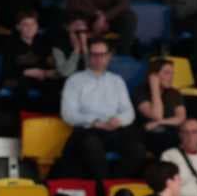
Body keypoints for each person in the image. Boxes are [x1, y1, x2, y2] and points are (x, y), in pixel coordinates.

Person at [60, 37, 144, 181]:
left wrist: (118, 120)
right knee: (91, 145)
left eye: (102, 55)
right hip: (88, 130)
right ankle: (103, 186)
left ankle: (114, 184)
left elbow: (129, 112)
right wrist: (94, 122)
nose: (98, 59)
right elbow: (68, 114)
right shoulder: (74, 80)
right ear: (88, 56)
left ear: (109, 56)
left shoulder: (117, 80)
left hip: (114, 128)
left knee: (138, 150)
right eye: (94, 55)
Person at [67, 0, 137, 51]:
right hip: (86, 16)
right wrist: (96, 14)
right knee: (76, 23)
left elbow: (124, 2)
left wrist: (105, 17)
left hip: (108, 17)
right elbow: (75, 4)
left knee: (129, 18)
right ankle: (82, 55)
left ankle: (121, 55)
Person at [136, 57, 188, 160]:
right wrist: (154, 88)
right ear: (154, 75)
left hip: (169, 132)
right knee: (161, 134)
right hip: (148, 134)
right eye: (167, 73)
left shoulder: (174, 93)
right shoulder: (141, 91)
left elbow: (181, 118)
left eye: (172, 73)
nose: (171, 77)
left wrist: (160, 122)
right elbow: (156, 115)